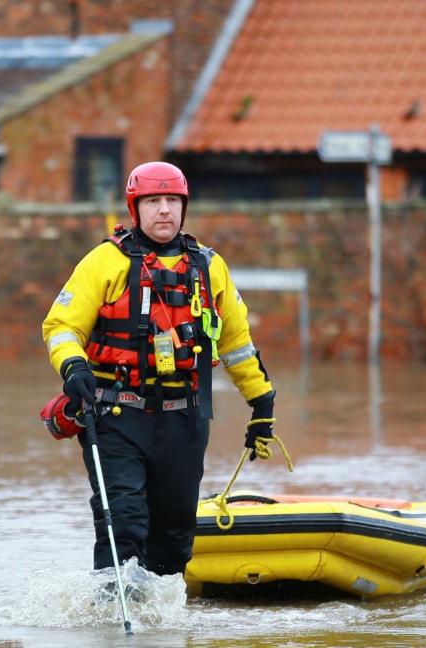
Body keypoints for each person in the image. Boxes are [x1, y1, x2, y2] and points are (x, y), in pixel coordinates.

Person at [42, 161, 277, 579]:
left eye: (172, 200)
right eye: (154, 201)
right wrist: (73, 365)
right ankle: (114, 618)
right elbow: (61, 326)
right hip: (116, 415)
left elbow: (237, 345)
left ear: (184, 207)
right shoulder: (104, 262)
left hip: (184, 420)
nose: (164, 210)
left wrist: (261, 403)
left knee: (173, 538)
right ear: (136, 208)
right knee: (124, 523)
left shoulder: (209, 267)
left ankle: (162, 634)